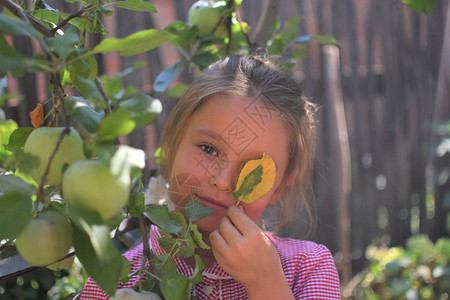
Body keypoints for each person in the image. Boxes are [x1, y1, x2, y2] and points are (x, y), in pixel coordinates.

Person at [81, 54, 341, 299]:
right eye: (209, 149)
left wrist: (265, 284)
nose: (224, 181)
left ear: (279, 187)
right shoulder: (113, 283)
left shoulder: (307, 269)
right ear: (171, 144)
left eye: (254, 169)